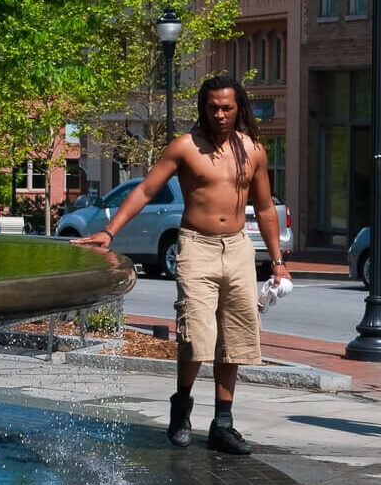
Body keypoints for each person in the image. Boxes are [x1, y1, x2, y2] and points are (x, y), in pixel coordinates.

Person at [73, 75, 287, 455]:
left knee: (235, 337)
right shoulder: (186, 147)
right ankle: (182, 405)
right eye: (213, 107)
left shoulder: (252, 150)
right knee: (194, 337)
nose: (219, 114)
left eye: (227, 108)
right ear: (203, 107)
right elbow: (144, 189)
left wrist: (277, 262)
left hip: (238, 248)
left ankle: (223, 422)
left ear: (239, 109)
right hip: (196, 246)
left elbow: (266, 208)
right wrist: (109, 232)